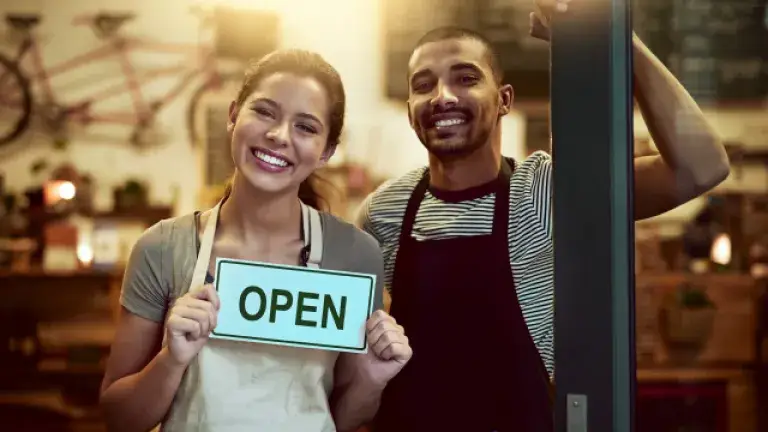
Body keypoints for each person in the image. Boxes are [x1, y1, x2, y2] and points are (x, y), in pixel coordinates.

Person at [357, 1, 730, 430]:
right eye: (424, 85)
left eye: (465, 78)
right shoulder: (384, 210)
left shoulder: (544, 190)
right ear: (409, 112)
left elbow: (702, 167)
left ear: (504, 100)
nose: (442, 97)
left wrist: (617, 38)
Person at [99, 49, 413, 432]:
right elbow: (118, 418)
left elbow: (344, 421)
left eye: (306, 127)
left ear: (327, 151)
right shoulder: (163, 248)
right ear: (233, 116)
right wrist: (171, 359)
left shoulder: (355, 254)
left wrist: (372, 378)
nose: (278, 136)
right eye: (264, 112)